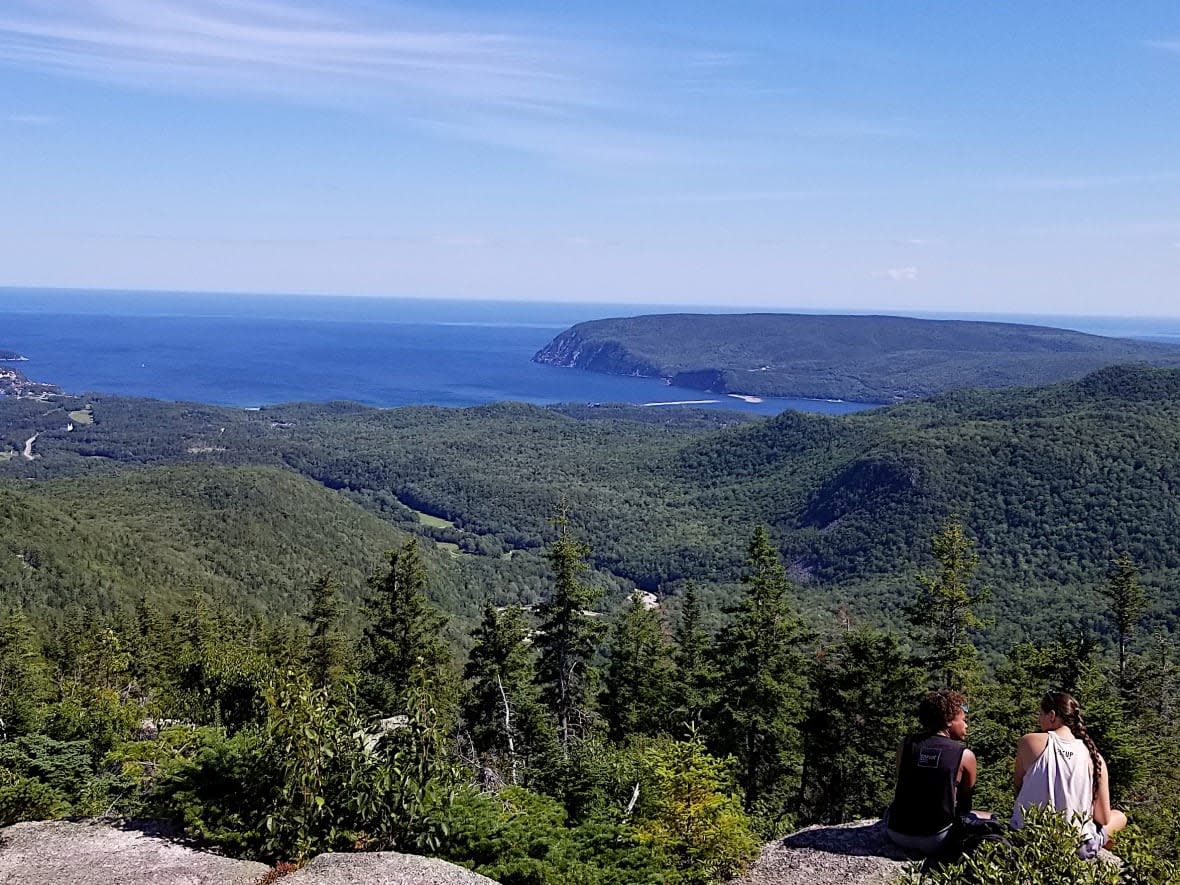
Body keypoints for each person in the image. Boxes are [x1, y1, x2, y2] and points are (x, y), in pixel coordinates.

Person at [1011, 691, 1128, 859]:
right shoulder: (1094, 757)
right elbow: (1102, 818)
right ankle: (1103, 860)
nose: (1038, 719)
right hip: (1075, 847)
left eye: (1040, 714)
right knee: (1120, 817)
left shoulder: (1028, 742)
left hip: (1026, 840)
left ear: (1052, 715)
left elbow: (1018, 787)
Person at [886, 689, 982, 855]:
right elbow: (965, 804)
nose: (966, 725)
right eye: (963, 720)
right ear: (949, 721)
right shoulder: (964, 756)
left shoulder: (906, 744)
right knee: (988, 817)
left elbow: (901, 781)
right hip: (935, 839)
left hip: (896, 832)